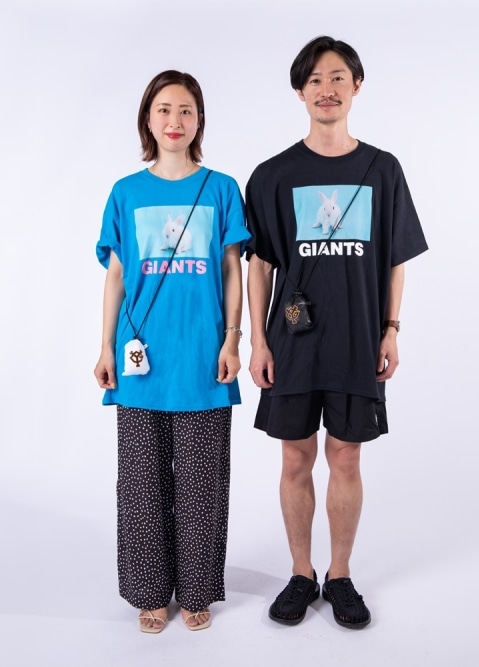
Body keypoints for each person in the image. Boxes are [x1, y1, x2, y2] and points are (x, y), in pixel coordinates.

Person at [245, 36, 428, 629]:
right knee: (294, 456)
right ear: (300, 91)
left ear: (357, 86)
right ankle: (301, 574)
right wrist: (258, 341)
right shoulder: (272, 175)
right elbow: (260, 265)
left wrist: (391, 330)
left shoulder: (383, 169)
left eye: (338, 78)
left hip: (357, 339)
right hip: (293, 341)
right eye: (315, 80)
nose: (327, 89)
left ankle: (340, 575)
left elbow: (395, 259)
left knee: (346, 457)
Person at [94, 70, 250, 634]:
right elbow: (116, 275)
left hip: (204, 358)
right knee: (141, 484)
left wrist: (232, 338)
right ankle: (150, 592)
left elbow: (232, 269)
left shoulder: (221, 188)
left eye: (185, 110)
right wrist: (104, 347)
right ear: (148, 119)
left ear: (199, 120)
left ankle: (198, 588)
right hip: (141, 362)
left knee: (202, 484)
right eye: (163, 110)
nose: (175, 121)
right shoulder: (126, 192)